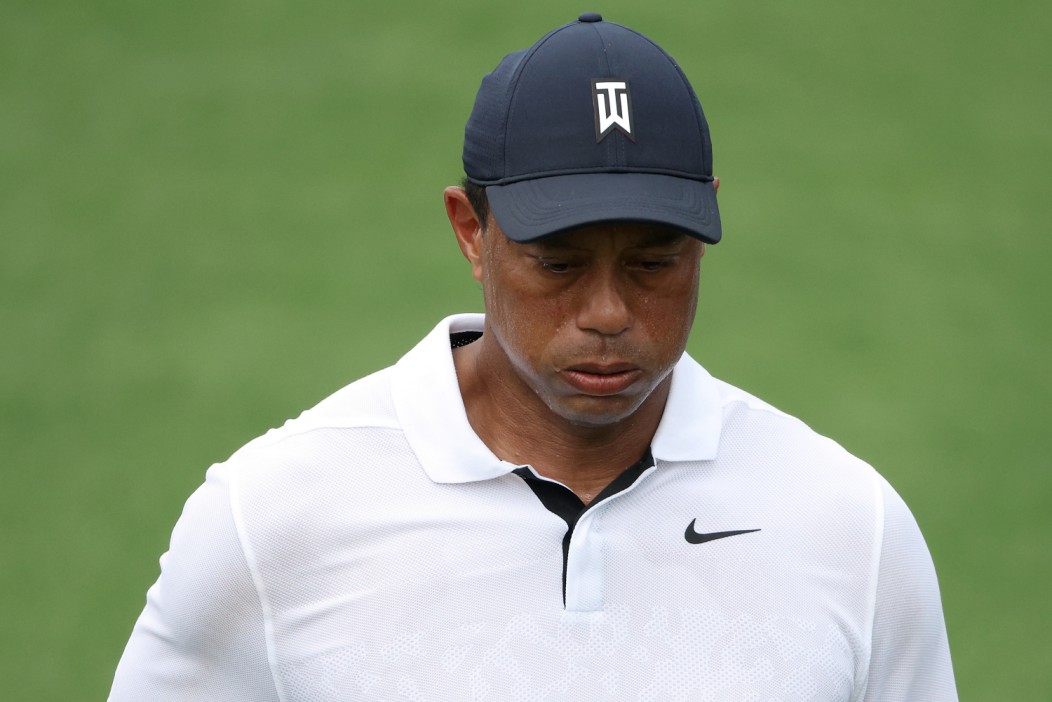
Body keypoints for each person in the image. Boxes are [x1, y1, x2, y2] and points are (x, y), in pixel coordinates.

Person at [109, 14, 957, 701]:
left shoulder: (851, 528)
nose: (608, 313)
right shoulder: (271, 521)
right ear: (471, 232)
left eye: (654, 262)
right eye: (557, 262)